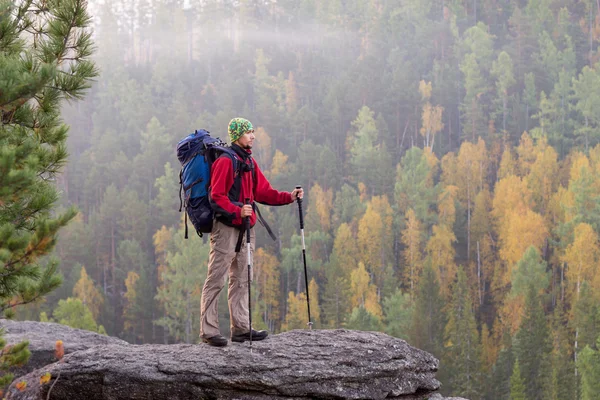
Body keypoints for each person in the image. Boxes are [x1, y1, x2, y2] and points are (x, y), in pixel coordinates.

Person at [200, 117, 303, 347]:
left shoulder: (248, 162)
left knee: (242, 279)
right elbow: (216, 197)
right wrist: (239, 210)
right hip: (226, 228)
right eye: (248, 132)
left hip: (246, 228)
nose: (253, 136)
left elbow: (264, 192)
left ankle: (241, 328)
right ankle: (209, 331)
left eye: (253, 131)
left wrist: (289, 196)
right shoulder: (226, 161)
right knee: (217, 278)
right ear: (237, 136)